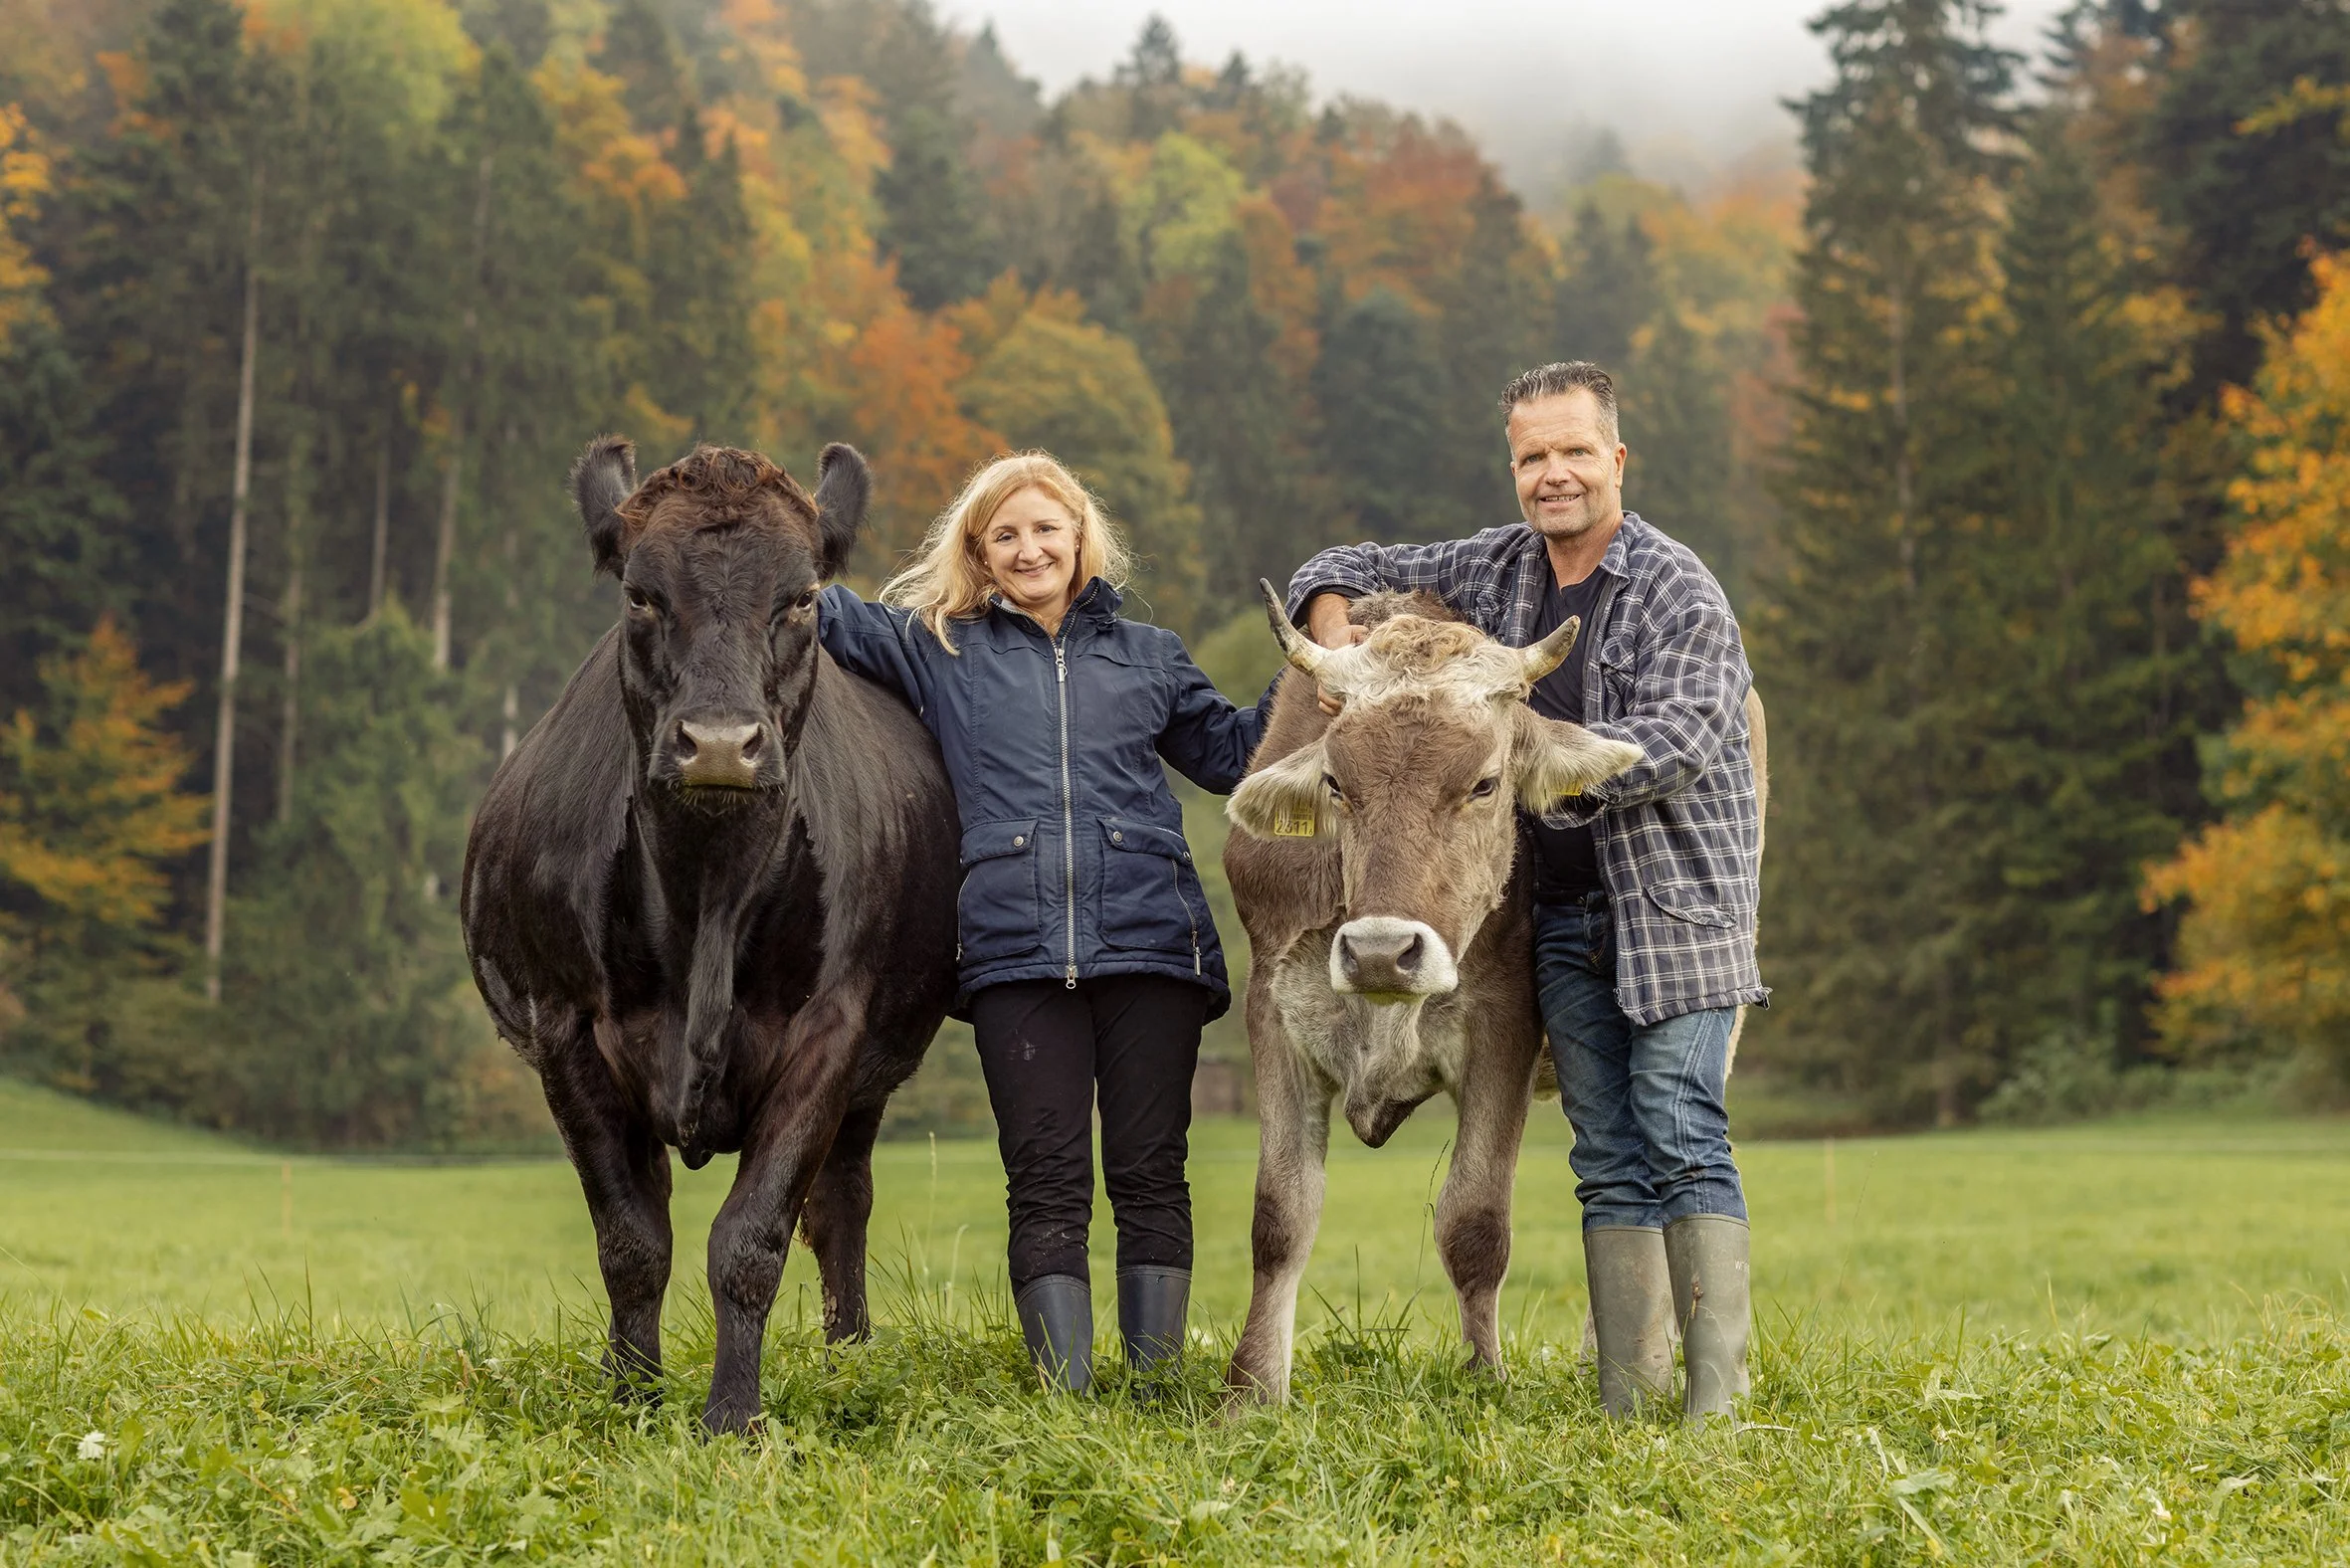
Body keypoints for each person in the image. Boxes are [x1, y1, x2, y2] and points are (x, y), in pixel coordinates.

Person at [1282, 360, 1764, 1425]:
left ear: (1616, 458)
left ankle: (1717, 1403)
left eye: (1575, 451)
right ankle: (1630, 1397)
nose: (1554, 474)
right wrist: (1329, 613)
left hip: (1675, 909)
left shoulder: (1678, 589)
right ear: (1514, 468)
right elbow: (1349, 561)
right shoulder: (1497, 566)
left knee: (1679, 1125)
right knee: (1605, 1149)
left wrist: (1529, 755)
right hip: (1556, 915)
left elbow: (1686, 739)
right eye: (1533, 456)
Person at [819, 452, 1261, 1394]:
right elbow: (815, 609)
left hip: (1152, 945)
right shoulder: (935, 649)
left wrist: (1319, 673)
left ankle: (1153, 1389)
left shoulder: (1151, 655)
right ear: (978, 552)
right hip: (1014, 957)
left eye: (1046, 530)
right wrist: (760, 530)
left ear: (1080, 537)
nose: (1030, 550)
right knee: (1045, 1177)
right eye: (1006, 535)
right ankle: (1066, 1394)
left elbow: (1235, 756)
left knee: (1151, 1171)